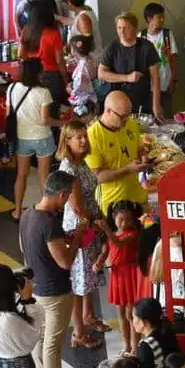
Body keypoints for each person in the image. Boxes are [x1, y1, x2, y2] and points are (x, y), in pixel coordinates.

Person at [21, 169, 92, 368]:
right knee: (52, 342)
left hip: (37, 286)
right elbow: (65, 262)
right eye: (70, 195)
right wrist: (79, 236)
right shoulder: (49, 222)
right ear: (62, 195)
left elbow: (32, 248)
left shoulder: (28, 214)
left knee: (41, 336)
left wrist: (66, 239)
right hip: (55, 291)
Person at [57, 120, 106, 350]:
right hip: (80, 228)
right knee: (79, 280)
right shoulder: (69, 168)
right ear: (67, 141)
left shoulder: (81, 162)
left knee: (88, 276)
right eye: (78, 137)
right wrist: (95, 223)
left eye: (85, 136)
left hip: (89, 224)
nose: (84, 140)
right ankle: (78, 331)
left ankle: (90, 315)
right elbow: (77, 205)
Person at [8, 58, 66, 219]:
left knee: (21, 175)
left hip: (22, 138)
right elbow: (45, 120)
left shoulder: (12, 88)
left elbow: (9, 114)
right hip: (42, 138)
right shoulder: (43, 92)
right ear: (38, 74)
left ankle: (18, 211)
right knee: (44, 176)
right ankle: (45, 211)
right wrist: (63, 122)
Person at [99, 199, 150, 355]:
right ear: (114, 217)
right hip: (117, 275)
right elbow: (106, 250)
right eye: (120, 219)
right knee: (120, 314)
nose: (124, 223)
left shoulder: (133, 233)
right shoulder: (113, 233)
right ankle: (126, 346)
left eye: (128, 219)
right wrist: (99, 262)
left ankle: (134, 348)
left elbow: (119, 244)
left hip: (130, 275)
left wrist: (106, 229)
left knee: (130, 315)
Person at [86, 91, 149, 215]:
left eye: (128, 115)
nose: (126, 120)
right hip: (114, 206)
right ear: (108, 111)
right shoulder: (92, 135)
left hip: (138, 197)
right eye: (122, 116)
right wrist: (128, 170)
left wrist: (143, 158)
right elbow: (97, 177)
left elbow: (139, 149)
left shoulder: (130, 123)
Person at [99, 11, 162, 117]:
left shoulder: (146, 47)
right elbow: (101, 73)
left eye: (126, 28)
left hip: (142, 99)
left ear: (135, 28)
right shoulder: (112, 48)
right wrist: (127, 77)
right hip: (118, 102)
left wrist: (156, 105)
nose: (122, 32)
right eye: (119, 28)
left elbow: (156, 80)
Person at [21, 0, 69, 104]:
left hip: (33, 75)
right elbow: (60, 62)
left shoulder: (26, 31)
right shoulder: (54, 35)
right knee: (53, 107)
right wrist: (66, 80)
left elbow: (21, 55)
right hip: (51, 77)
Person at [132, 297, 180, 368]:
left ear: (143, 322)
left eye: (134, 318)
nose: (133, 322)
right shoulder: (166, 330)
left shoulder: (146, 345)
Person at [142, 3, 177, 115]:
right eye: (159, 17)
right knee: (149, 116)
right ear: (149, 19)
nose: (162, 20)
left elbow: (174, 61)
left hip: (165, 83)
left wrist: (172, 81)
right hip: (147, 86)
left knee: (166, 116)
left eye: (163, 17)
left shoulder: (167, 34)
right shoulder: (141, 36)